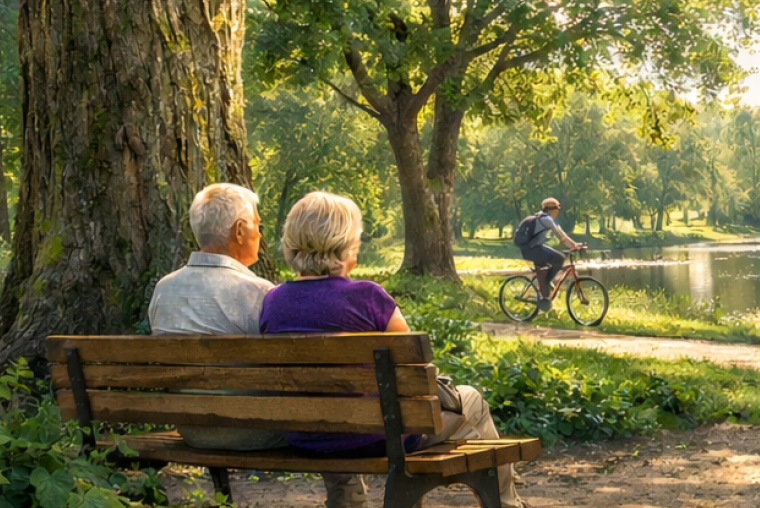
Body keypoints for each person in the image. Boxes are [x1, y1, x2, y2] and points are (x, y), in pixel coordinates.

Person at [261, 191, 522, 508]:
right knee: (472, 401)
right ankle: (507, 503)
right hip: (381, 438)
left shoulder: (273, 302)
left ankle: (348, 499)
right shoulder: (369, 297)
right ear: (347, 244)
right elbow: (415, 370)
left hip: (307, 438)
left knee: (336, 417)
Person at [147, 183, 284, 452]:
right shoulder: (259, 292)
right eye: (258, 225)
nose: (260, 233)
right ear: (240, 231)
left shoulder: (164, 289)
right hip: (255, 429)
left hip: (191, 429)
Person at [513, 197, 585, 308]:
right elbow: (560, 237)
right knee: (560, 259)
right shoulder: (546, 220)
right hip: (532, 250)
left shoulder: (544, 217)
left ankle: (544, 292)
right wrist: (573, 246)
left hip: (534, 248)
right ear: (552, 209)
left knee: (551, 264)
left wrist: (574, 244)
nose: (558, 212)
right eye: (557, 210)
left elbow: (562, 234)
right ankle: (546, 284)